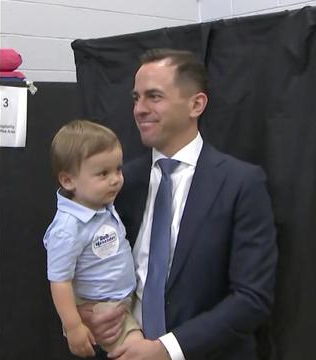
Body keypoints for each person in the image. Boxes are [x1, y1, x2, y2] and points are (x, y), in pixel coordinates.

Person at [78, 49, 277, 360]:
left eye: (154, 97)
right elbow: (90, 262)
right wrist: (88, 314)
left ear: (196, 104)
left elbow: (252, 298)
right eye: (136, 98)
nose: (139, 109)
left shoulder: (241, 184)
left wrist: (167, 350)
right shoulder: (121, 182)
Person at [44, 120, 143, 358]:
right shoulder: (68, 227)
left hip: (127, 300)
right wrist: (74, 326)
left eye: (118, 169)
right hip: (104, 309)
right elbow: (59, 281)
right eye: (103, 173)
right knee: (139, 352)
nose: (115, 179)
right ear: (69, 180)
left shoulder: (101, 203)